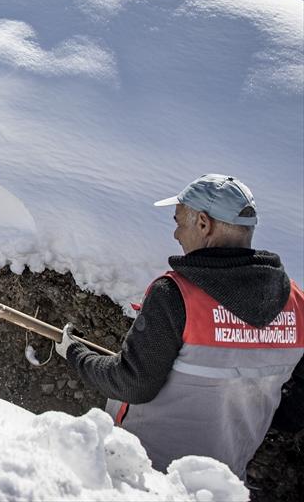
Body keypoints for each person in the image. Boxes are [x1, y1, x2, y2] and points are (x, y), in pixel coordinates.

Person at [57, 174, 303, 480]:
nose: (175, 233)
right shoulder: (296, 304)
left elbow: (132, 383)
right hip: (223, 485)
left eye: (178, 221)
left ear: (204, 223)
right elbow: (294, 411)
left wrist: (76, 354)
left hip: (146, 477)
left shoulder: (176, 295)